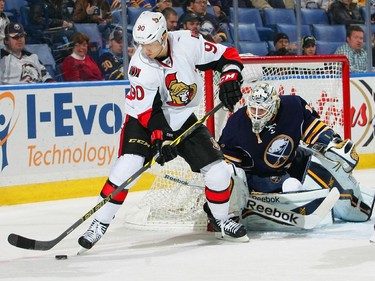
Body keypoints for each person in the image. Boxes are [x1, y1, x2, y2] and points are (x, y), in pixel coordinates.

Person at [78, 11, 248, 252]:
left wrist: (230, 78)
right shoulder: (140, 66)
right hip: (144, 119)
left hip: (181, 117)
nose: (145, 50)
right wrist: (161, 140)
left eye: (150, 44)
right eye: (141, 45)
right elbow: (150, 113)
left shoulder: (188, 42)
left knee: (219, 171)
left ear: (164, 36)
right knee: (128, 166)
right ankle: (99, 223)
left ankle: (221, 221)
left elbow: (227, 56)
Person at [218, 82, 374, 224]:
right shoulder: (235, 126)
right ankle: (239, 213)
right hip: (258, 176)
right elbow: (227, 167)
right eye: (253, 108)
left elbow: (313, 128)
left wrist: (334, 143)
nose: (257, 114)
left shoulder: (293, 107)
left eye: (262, 110)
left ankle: (352, 201)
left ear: (274, 106)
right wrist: (229, 193)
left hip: (292, 162)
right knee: (291, 186)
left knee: (322, 161)